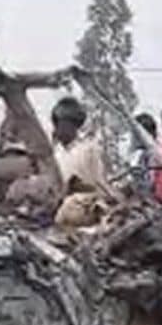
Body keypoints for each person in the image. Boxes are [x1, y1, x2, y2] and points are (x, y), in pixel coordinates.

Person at [51, 97, 117, 227]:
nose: (60, 128)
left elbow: (98, 183)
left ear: (75, 126)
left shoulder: (88, 149)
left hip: (80, 206)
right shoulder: (55, 152)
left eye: (65, 124)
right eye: (58, 123)